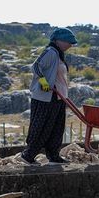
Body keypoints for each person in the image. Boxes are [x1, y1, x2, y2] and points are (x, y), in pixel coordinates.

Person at [19, 27, 77, 164]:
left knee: (57, 128)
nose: (70, 45)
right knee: (42, 127)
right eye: (68, 42)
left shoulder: (58, 54)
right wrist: (43, 81)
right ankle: (28, 155)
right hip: (46, 97)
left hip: (58, 97)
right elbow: (36, 66)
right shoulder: (51, 52)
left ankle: (53, 156)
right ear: (57, 41)